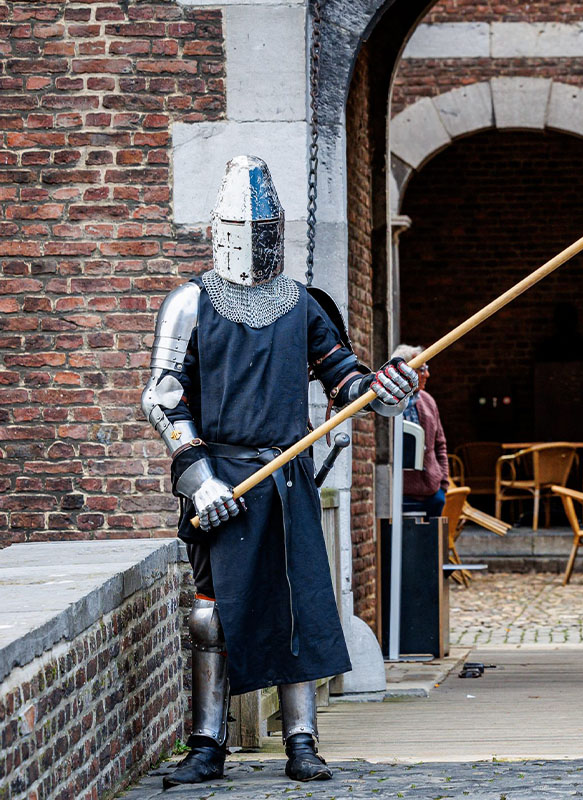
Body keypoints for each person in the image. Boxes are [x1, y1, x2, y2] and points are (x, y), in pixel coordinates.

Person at [140, 156, 420, 787]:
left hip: (287, 473)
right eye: (245, 226)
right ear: (222, 228)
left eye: (265, 227)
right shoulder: (189, 304)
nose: (254, 239)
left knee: (295, 607)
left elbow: (345, 380)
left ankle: (302, 741)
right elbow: (163, 396)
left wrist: (385, 388)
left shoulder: (302, 306)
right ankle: (207, 744)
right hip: (221, 479)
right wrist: (199, 477)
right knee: (210, 613)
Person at [395, 343, 449, 518]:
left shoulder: (428, 401)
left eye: (427, 368)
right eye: (421, 369)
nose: (427, 374)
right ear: (405, 372)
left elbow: (440, 444)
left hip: (432, 492)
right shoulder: (389, 406)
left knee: (431, 542)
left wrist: (443, 484)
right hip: (401, 493)